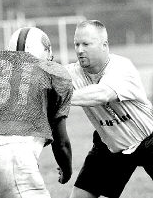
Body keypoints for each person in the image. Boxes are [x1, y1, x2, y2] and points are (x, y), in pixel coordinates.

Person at [0, 27, 73, 198]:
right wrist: (66, 169)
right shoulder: (52, 72)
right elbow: (61, 142)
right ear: (45, 51)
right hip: (16, 158)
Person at [65, 20, 153, 198]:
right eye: (76, 44)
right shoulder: (71, 73)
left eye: (86, 44)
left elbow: (103, 94)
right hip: (111, 143)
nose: (80, 49)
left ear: (104, 45)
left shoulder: (122, 67)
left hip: (149, 139)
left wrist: (60, 99)